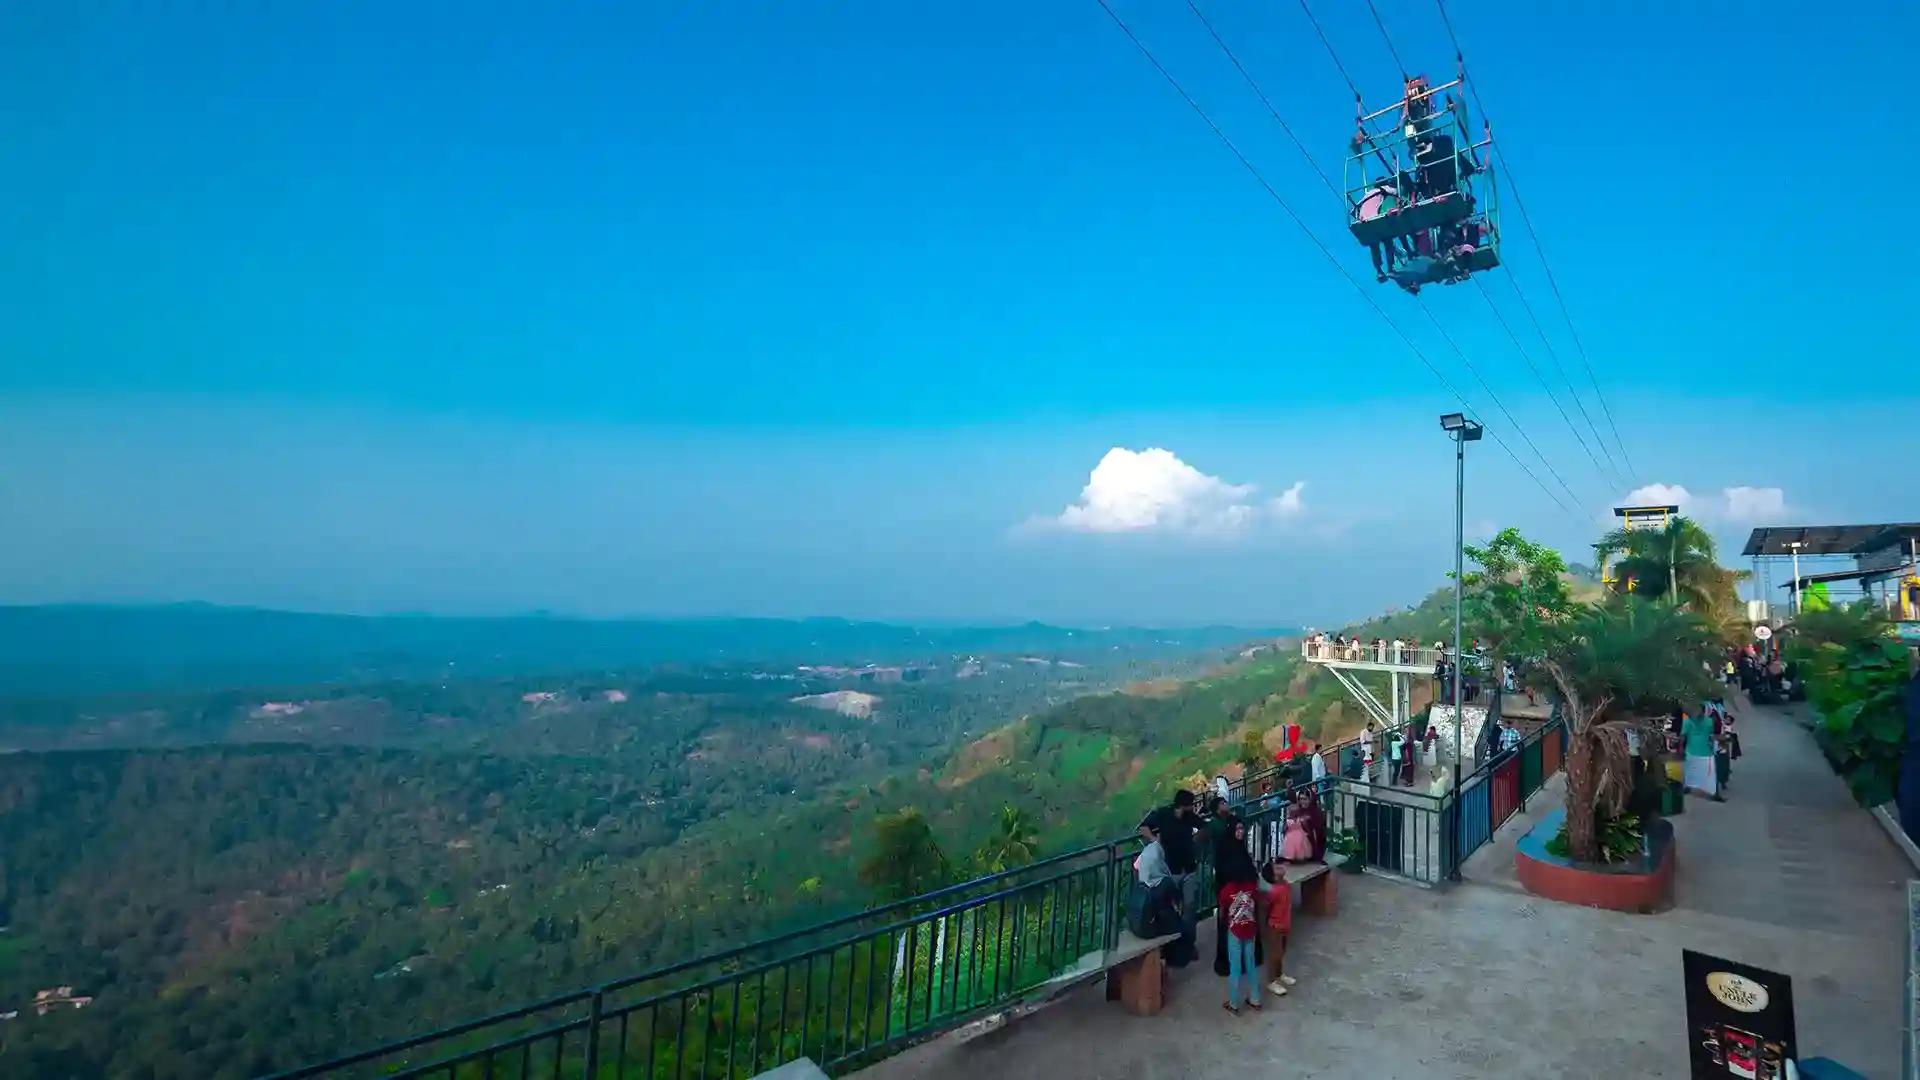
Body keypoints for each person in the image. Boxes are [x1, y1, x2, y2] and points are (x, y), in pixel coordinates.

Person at [1214, 820, 1263, 1014]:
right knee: (1250, 964)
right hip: (1250, 927)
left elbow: (1224, 909)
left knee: (1235, 967)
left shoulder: (1226, 891)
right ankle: (1256, 999)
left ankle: (1234, 1003)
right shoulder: (1251, 888)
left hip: (1234, 928)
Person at [1148, 790, 1202, 965]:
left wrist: (1196, 839)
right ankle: (1171, 949)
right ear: (1183, 804)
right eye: (1190, 804)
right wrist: (1155, 842)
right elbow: (1144, 826)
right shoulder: (1164, 814)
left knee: (1189, 908)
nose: (1192, 807)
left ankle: (1188, 945)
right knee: (1169, 911)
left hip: (1189, 869)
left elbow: (1203, 826)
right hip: (1170, 870)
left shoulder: (1190, 817)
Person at [1258, 859, 1297, 997]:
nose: (1279, 867)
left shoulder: (1285, 884)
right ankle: (1271, 981)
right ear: (1273, 876)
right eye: (1276, 868)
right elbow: (1264, 910)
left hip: (1286, 924)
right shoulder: (1272, 892)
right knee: (1274, 954)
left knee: (1282, 952)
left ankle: (1279, 974)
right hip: (1275, 927)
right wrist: (1264, 930)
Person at [1678, 707, 1722, 801]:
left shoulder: (1710, 722)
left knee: (1710, 775)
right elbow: (1682, 736)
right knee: (1690, 772)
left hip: (1706, 753)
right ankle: (1688, 787)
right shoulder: (1688, 722)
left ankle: (1713, 794)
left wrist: (1716, 742)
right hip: (1691, 752)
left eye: (1698, 710)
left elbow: (1714, 735)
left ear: (1703, 711)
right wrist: (1681, 748)